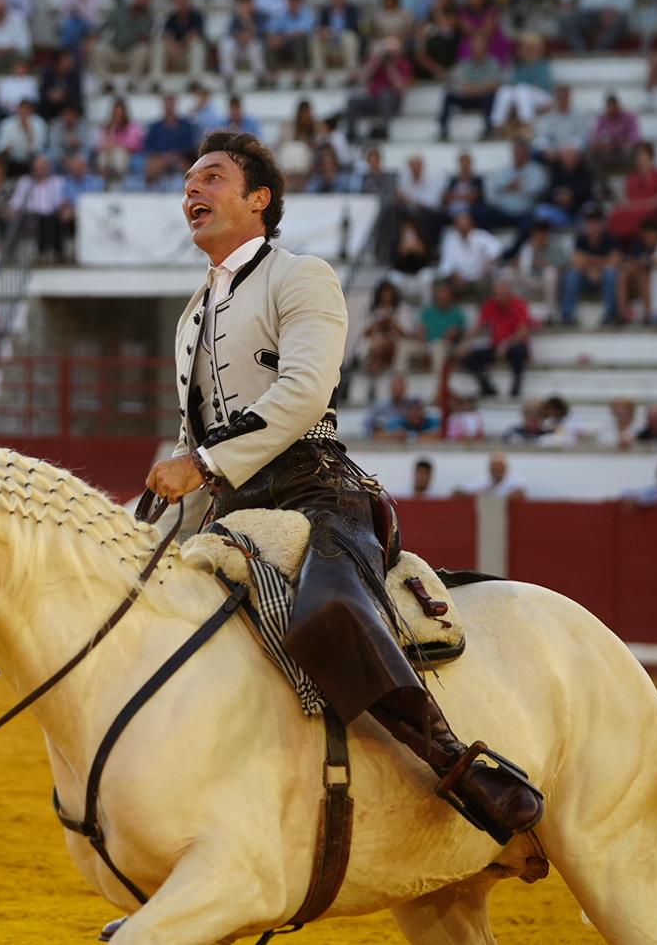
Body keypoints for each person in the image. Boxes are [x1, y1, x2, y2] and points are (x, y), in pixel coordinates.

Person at [142, 130, 543, 853]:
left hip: (316, 488)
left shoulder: (302, 276)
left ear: (259, 198)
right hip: (234, 506)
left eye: (212, 178)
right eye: (188, 181)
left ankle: (456, 761)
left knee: (326, 608)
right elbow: (192, 429)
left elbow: (300, 394)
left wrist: (199, 463)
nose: (191, 191)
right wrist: (166, 502)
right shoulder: (190, 315)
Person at [463, 277, 533, 398]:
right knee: (468, 357)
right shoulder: (490, 304)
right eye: (496, 294)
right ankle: (487, 388)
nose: (497, 297)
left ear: (509, 294)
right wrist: (464, 344)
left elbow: (523, 332)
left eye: (501, 294)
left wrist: (506, 343)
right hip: (497, 347)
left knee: (519, 351)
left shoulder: (519, 304)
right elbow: (478, 327)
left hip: (512, 346)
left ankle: (515, 389)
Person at [454, 452, 527, 498]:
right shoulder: (482, 479)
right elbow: (458, 491)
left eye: (500, 467)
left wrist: (490, 496)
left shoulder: (516, 478)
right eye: (494, 468)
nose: (497, 471)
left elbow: (520, 493)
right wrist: (479, 495)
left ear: (506, 468)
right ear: (490, 468)